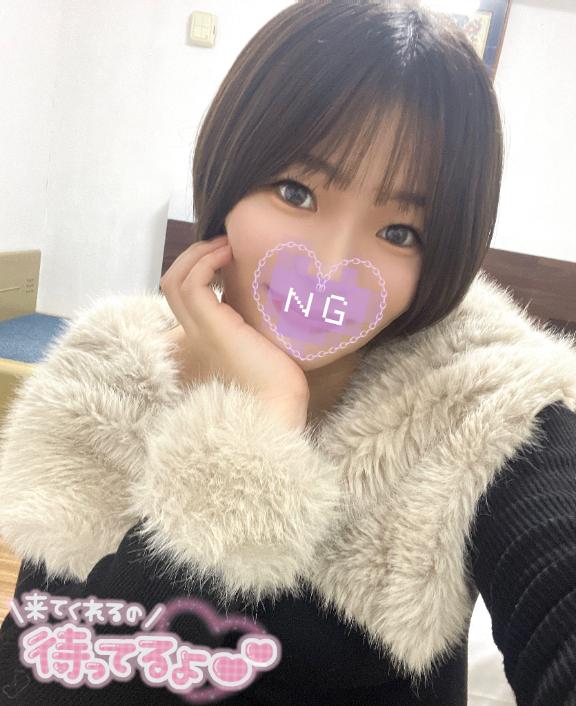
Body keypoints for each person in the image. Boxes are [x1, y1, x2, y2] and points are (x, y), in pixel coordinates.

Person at [1, 1, 575, 704]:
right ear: (227, 176)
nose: (329, 267)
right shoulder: (104, 387)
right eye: (296, 191)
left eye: (400, 233)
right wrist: (256, 429)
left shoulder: (484, 408)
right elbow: (32, 679)